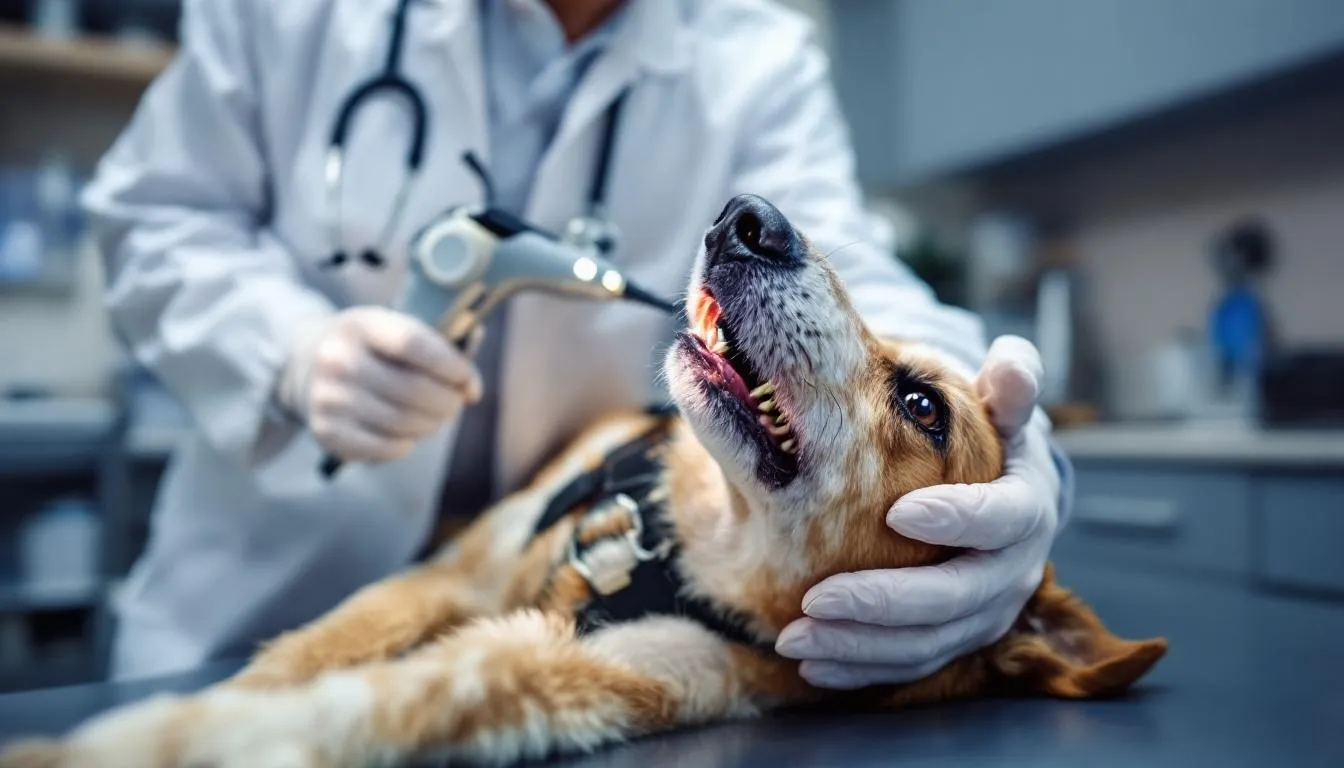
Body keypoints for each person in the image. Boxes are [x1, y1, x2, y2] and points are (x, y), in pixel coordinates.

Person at [83, 0, 1072, 687]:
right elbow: (152, 212)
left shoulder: (757, 59)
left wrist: (1001, 447)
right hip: (253, 614)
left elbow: (855, 286)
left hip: (552, 638)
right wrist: (289, 349)